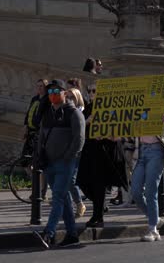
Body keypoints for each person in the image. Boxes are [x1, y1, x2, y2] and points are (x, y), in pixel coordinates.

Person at [33, 79, 85, 249]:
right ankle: (72, 234)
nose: (53, 95)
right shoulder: (48, 113)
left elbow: (79, 139)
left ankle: (49, 233)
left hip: (65, 163)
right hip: (49, 163)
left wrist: (68, 157)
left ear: (65, 93)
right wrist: (40, 155)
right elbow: (41, 135)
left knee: (57, 197)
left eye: (56, 91)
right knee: (63, 198)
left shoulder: (73, 113)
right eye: (50, 92)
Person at [77, 84, 127, 228]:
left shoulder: (110, 108)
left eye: (95, 91)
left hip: (104, 150)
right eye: (90, 90)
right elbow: (80, 128)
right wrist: (88, 121)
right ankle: (100, 206)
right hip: (89, 149)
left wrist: (107, 135)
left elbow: (119, 131)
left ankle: (98, 217)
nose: (92, 93)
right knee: (82, 182)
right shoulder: (88, 108)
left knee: (99, 184)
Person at [131, 112, 164, 242]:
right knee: (135, 192)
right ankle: (155, 218)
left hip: (156, 151)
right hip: (140, 151)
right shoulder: (135, 111)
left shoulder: (158, 109)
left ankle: (153, 230)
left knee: (150, 191)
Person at [23, 79, 50, 199]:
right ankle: (37, 186)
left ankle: (41, 191)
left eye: (42, 86)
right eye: (38, 86)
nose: (39, 88)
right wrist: (25, 130)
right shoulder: (34, 99)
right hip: (31, 133)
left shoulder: (47, 100)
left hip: (40, 134)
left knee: (40, 164)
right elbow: (28, 114)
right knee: (25, 162)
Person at [65, 88, 87, 218]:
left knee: (71, 180)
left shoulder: (79, 111)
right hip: (66, 148)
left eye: (72, 97)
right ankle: (72, 205)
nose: (69, 100)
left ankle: (79, 203)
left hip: (77, 150)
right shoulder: (66, 111)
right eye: (67, 97)